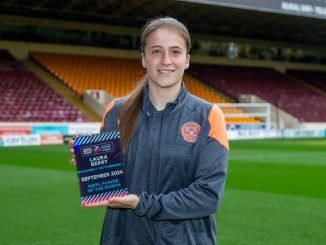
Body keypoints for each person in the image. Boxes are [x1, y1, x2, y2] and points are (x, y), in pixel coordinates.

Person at [70, 16, 229, 245]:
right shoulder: (116, 111)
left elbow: (208, 197)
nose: (166, 60)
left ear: (187, 60)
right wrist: (91, 164)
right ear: (144, 58)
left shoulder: (208, 116)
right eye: (156, 51)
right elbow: (111, 184)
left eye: (175, 51)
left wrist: (141, 203)